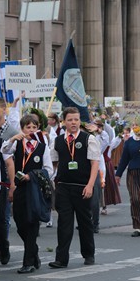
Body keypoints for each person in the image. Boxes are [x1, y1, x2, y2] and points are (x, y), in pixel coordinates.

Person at [48, 107, 100, 269]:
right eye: (70, 120)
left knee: (85, 222)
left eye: (76, 119)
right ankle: (61, 258)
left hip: (82, 186)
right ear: (64, 122)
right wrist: (50, 180)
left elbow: (94, 163)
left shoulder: (88, 139)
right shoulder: (58, 141)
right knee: (64, 223)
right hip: (63, 186)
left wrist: (90, 185)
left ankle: (88, 254)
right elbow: (54, 163)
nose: (73, 123)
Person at [4, 114, 53, 273]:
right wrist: (13, 139)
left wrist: (31, 176)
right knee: (20, 223)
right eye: (27, 127)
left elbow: (48, 170)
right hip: (19, 189)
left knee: (32, 223)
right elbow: (4, 150)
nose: (31, 130)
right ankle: (34, 251)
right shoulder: (17, 144)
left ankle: (28, 262)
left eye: (34, 127)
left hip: (34, 189)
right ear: (22, 128)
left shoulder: (42, 147)